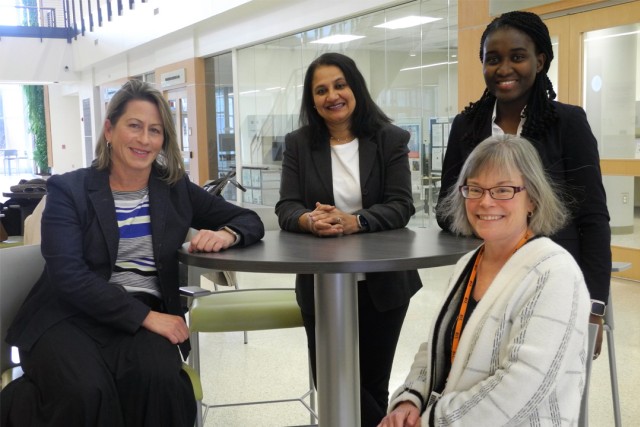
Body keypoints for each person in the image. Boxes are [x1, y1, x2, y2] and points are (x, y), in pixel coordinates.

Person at [0, 80, 265, 426]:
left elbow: (248, 219)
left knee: (162, 382)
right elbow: (68, 276)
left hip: (141, 322)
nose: (144, 140)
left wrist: (227, 234)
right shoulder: (70, 190)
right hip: (66, 316)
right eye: (135, 126)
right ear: (110, 129)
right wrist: (146, 317)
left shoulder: (174, 190)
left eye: (155, 131)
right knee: (86, 391)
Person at [380, 135, 591, 427]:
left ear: (532, 198)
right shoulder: (469, 263)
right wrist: (409, 400)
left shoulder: (555, 274)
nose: (485, 202)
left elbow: (522, 387)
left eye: (503, 190)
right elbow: (436, 345)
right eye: (475, 189)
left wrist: (431, 421)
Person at [436, 10, 611, 356]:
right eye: (493, 59)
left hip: (555, 281)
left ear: (540, 61)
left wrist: (594, 308)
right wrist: (494, 225)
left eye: (517, 57)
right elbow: (447, 208)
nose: (504, 69)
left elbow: (592, 219)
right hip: (483, 282)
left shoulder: (568, 123)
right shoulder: (466, 126)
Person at [275, 52, 422, 426]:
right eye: (321, 90)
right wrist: (308, 220)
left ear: (354, 87)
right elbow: (286, 205)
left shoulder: (389, 139)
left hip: (383, 283)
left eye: (339, 85)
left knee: (371, 385)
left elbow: (402, 205)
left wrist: (356, 221)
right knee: (331, 381)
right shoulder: (298, 143)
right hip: (321, 283)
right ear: (312, 100)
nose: (332, 95)